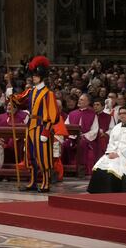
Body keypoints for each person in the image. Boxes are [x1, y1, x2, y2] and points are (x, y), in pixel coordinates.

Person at [17, 56, 58, 193]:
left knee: (43, 156)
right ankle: (33, 182)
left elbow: (52, 115)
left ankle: (45, 183)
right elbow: (19, 101)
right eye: (33, 75)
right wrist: (10, 94)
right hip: (30, 126)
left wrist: (46, 131)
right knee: (31, 156)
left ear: (42, 77)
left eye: (36, 76)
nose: (33, 78)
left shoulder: (48, 94)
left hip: (41, 127)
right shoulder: (31, 91)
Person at [87, 106, 126, 193]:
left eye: (124, 113)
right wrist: (110, 153)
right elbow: (111, 142)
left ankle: (109, 192)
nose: (122, 115)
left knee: (112, 169)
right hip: (112, 153)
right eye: (120, 113)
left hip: (125, 155)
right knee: (99, 167)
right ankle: (96, 192)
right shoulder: (116, 127)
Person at [62, 94, 100, 176]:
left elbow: (94, 130)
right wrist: (71, 135)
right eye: (79, 99)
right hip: (72, 138)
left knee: (82, 143)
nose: (79, 101)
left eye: (82, 100)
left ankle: (81, 169)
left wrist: (83, 136)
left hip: (85, 138)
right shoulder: (72, 113)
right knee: (65, 144)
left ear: (88, 102)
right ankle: (66, 169)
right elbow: (66, 127)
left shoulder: (93, 114)